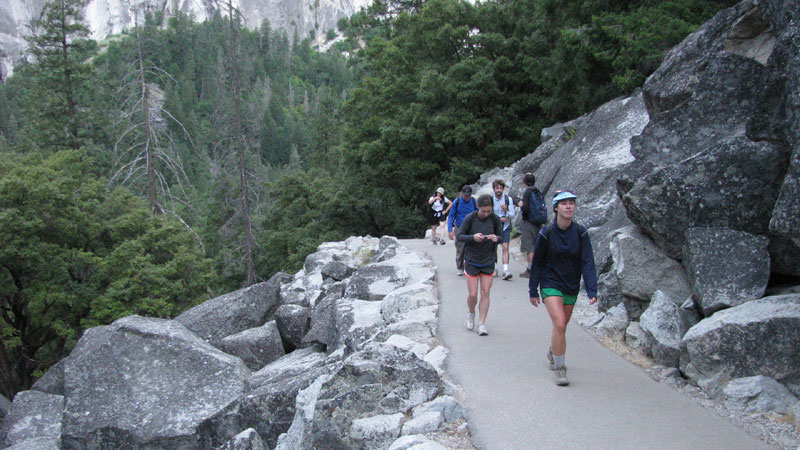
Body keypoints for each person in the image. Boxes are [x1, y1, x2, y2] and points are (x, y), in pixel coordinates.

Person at [528, 190, 598, 386]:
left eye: (572, 203)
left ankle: (554, 350)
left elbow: (587, 261)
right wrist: (533, 290)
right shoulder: (546, 233)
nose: (569, 206)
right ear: (556, 208)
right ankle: (560, 368)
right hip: (550, 282)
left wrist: (592, 289)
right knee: (559, 323)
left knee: (562, 326)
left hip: (571, 283)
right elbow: (537, 263)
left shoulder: (580, 232)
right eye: (564, 203)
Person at [457, 194, 502, 336]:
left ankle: (482, 323)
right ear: (478, 208)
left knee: (486, 292)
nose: (486, 214)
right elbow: (460, 236)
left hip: (488, 260)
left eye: (489, 211)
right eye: (483, 211)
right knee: (472, 294)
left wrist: (496, 238)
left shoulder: (494, 219)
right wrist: (473, 237)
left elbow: (501, 236)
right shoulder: (470, 218)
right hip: (472, 259)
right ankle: (471, 313)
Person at [517, 173, 546, 278]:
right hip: (538, 222)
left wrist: (521, 205)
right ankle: (538, 267)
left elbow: (525, 209)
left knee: (530, 247)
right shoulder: (537, 191)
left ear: (525, 182)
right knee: (536, 245)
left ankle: (530, 270)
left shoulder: (528, 192)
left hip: (529, 222)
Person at [448, 185, 477, 275]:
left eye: (468, 195)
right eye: (465, 195)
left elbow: (478, 214)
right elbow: (451, 216)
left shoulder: (474, 202)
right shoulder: (457, 202)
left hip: (471, 227)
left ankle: (471, 266)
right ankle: (460, 267)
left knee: (472, 247)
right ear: (461, 193)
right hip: (460, 227)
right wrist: (450, 230)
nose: (467, 197)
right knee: (460, 248)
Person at [491, 179, 515, 280]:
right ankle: (495, 268)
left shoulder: (508, 199)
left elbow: (512, 215)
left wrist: (506, 210)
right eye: (497, 188)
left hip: (505, 227)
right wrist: (498, 219)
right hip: (494, 227)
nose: (499, 190)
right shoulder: (490, 200)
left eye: (501, 188)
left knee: (505, 247)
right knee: (494, 248)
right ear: (494, 189)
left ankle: (506, 270)